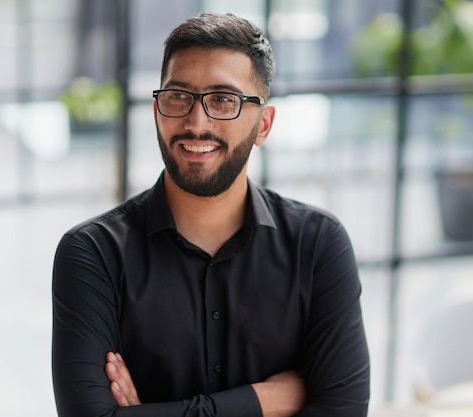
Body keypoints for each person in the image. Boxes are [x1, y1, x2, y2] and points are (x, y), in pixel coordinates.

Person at [52, 12, 370, 417]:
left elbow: (343, 411)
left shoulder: (318, 244)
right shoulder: (92, 254)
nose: (196, 122)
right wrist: (265, 400)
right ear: (156, 110)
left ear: (263, 125)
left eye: (224, 100)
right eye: (178, 96)